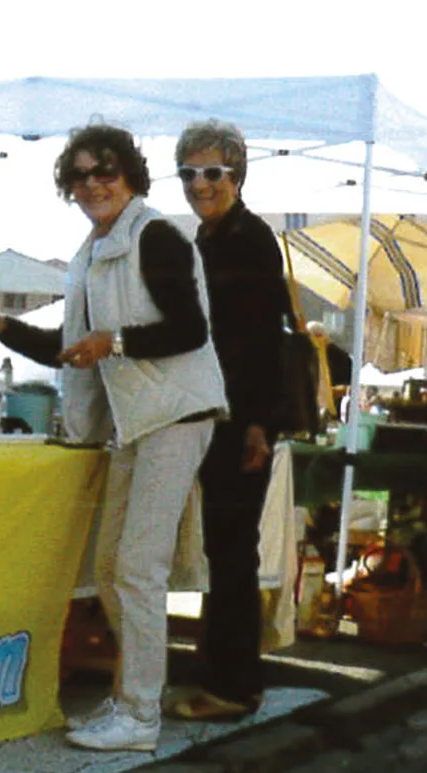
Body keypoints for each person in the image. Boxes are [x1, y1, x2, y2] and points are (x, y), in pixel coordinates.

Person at [0, 123, 226, 753]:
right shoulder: (92, 251)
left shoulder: (154, 233)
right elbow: (70, 347)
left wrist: (118, 342)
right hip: (132, 421)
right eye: (79, 176)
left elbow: (189, 329)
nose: (92, 184)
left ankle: (140, 715)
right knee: (109, 566)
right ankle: (131, 700)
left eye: (105, 171)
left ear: (129, 175)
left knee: (138, 567)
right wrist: (0, 326)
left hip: (177, 415)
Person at [165, 120, 290, 722]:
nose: (199, 183)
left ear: (236, 175)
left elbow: (265, 338)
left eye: (211, 172)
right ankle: (221, 673)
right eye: (189, 173)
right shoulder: (210, 240)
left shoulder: (250, 239)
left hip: (243, 418)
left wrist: (259, 425)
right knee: (223, 551)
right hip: (219, 413)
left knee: (234, 552)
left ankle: (236, 687)